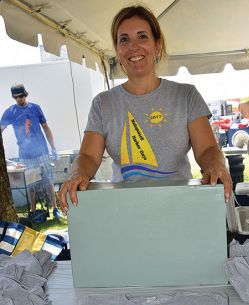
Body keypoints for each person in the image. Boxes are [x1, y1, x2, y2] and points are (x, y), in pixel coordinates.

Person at [58, 5, 232, 213]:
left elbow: (207, 150)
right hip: (126, 210)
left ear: (157, 45)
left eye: (142, 37)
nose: (133, 46)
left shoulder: (186, 95)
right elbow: (89, 157)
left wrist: (215, 165)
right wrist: (78, 173)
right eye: (124, 39)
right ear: (117, 49)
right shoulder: (102, 103)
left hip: (180, 206)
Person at [1, 83, 61, 219]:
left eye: (21, 96)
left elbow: (46, 128)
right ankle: (33, 211)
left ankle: (55, 209)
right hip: (25, 154)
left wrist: (53, 147)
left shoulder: (35, 108)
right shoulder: (10, 112)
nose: (19, 99)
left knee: (48, 181)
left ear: (25, 94)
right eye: (16, 97)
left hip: (42, 152)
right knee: (30, 184)